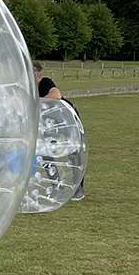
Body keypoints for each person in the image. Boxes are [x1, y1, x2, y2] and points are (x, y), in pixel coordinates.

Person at [32, 60, 86, 200]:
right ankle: (57, 187)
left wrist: (38, 101)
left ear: (37, 75)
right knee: (45, 153)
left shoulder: (44, 82)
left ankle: (78, 187)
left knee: (73, 152)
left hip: (66, 120)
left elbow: (56, 95)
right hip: (50, 123)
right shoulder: (30, 88)